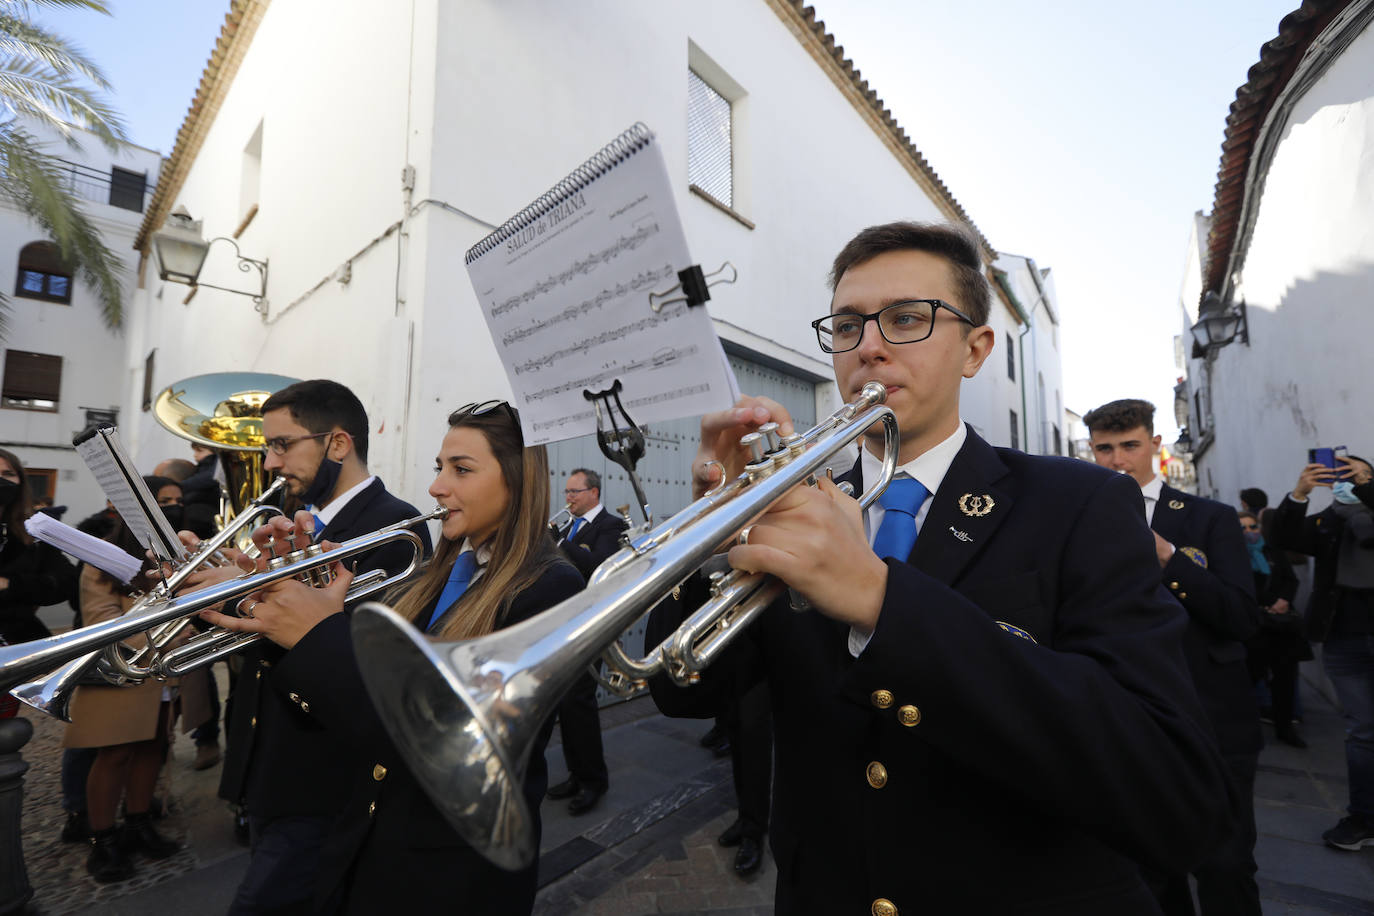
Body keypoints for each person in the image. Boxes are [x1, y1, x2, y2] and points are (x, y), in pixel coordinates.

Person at [646, 221, 1232, 913]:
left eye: (905, 319)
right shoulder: (797, 506)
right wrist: (711, 540)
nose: (867, 346)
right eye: (846, 326)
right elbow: (681, 696)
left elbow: (1172, 793)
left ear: (975, 349)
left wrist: (882, 600)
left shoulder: (1080, 501)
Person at [199, 400, 583, 915]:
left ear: (518, 481)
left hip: (450, 871)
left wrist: (320, 634)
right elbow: (353, 701)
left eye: (461, 470)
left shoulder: (552, 586)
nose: (436, 487)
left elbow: (441, 745)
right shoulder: (437, 573)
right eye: (439, 468)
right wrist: (277, 609)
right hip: (372, 837)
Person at [211, 379, 432, 914]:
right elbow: (264, 643)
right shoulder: (288, 528)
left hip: (325, 781)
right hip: (271, 771)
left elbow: (361, 661)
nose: (268, 463)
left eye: (282, 445)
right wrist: (215, 594)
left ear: (337, 444)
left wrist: (258, 599)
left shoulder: (394, 528)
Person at [1085, 397, 1261, 916]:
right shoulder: (1079, 520)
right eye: (1105, 449)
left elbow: (1241, 617)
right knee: (1148, 874)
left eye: (1130, 446)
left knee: (1227, 867)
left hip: (1214, 718)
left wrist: (1169, 558)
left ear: (1155, 445)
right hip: (1129, 722)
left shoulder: (1210, 518)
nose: (1118, 460)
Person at [62, 477, 190, 882]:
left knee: (155, 747)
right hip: (121, 675)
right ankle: (102, 838)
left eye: (177, 502)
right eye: (162, 502)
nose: (172, 508)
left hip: (165, 675)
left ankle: (138, 824)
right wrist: (171, 631)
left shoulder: (180, 556)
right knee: (114, 755)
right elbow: (102, 623)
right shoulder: (101, 560)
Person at [1269, 453, 1374, 850]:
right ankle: (1364, 818)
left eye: (1357, 475)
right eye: (1344, 476)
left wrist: (1365, 485)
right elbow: (1283, 539)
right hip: (1345, 638)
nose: (1348, 481)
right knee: (1362, 731)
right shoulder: (1328, 521)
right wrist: (1300, 494)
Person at [546, 468, 626, 815]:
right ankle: (577, 774)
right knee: (566, 703)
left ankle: (594, 779)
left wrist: (560, 544)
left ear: (593, 492)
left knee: (580, 700)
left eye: (575, 492)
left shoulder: (611, 526)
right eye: (566, 492)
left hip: (591, 622)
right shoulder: (567, 527)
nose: (568, 499)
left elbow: (598, 566)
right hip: (564, 621)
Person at [1239, 509, 1309, 747]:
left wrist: (1283, 600)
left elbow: (1290, 580)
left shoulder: (1272, 551)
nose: (1249, 532)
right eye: (1243, 528)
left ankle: (1285, 727)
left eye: (1252, 527)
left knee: (1285, 682)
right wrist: (1266, 604)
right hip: (1252, 628)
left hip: (1280, 628)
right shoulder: (1233, 556)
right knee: (1246, 682)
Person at [0, 447, 77, 644]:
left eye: (8, 474)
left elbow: (66, 581)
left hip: (18, 640)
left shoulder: (32, 531)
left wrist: (11, 585)